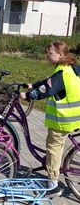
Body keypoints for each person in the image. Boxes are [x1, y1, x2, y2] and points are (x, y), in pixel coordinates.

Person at [21, 41, 80, 197]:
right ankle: (50, 166)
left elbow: (47, 88)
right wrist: (32, 84)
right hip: (74, 117)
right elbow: (49, 81)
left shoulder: (62, 73)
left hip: (62, 120)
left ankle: (53, 185)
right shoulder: (72, 69)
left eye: (51, 53)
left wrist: (27, 95)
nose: (47, 56)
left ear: (61, 55)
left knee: (53, 149)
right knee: (55, 148)